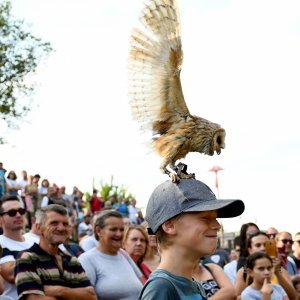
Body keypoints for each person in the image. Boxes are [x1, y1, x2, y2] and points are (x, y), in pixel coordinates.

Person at [139, 178, 245, 299]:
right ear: (169, 226)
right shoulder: (160, 287)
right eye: (205, 218)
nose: (217, 225)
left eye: (215, 218)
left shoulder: (194, 286)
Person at [15, 204, 96, 300]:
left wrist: (59, 291)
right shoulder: (27, 258)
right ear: (38, 227)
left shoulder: (73, 261)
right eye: (54, 223)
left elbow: (92, 296)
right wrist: (76, 294)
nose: (61, 228)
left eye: (65, 224)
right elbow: (34, 298)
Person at [78, 210, 143, 299]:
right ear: (98, 231)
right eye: (113, 229)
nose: (119, 234)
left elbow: (142, 282)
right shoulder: (87, 259)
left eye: (121, 229)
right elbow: (85, 296)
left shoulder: (123, 254)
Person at [234, 231, 297, 300]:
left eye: (265, 245)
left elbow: (293, 297)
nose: (262, 248)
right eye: (258, 245)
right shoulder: (244, 271)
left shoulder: (279, 269)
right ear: (250, 250)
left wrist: (277, 272)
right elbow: (237, 298)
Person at [0, 195, 34, 299]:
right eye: (12, 213)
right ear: (0, 219)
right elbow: (12, 275)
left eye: (21, 211)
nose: (18, 215)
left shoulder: (35, 241)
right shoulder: (1, 243)